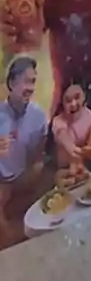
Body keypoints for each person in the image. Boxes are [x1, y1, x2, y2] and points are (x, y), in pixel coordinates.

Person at [0, 58, 48, 245]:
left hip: (23, 176)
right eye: (27, 81)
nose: (31, 88)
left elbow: (38, 156)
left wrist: (34, 172)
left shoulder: (39, 116)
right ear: (12, 83)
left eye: (33, 81)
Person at [51, 81, 91, 169]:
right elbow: (65, 139)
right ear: (62, 103)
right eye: (68, 101)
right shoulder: (58, 121)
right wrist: (75, 149)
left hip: (86, 164)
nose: (73, 104)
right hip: (65, 168)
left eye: (77, 97)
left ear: (84, 96)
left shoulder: (89, 114)